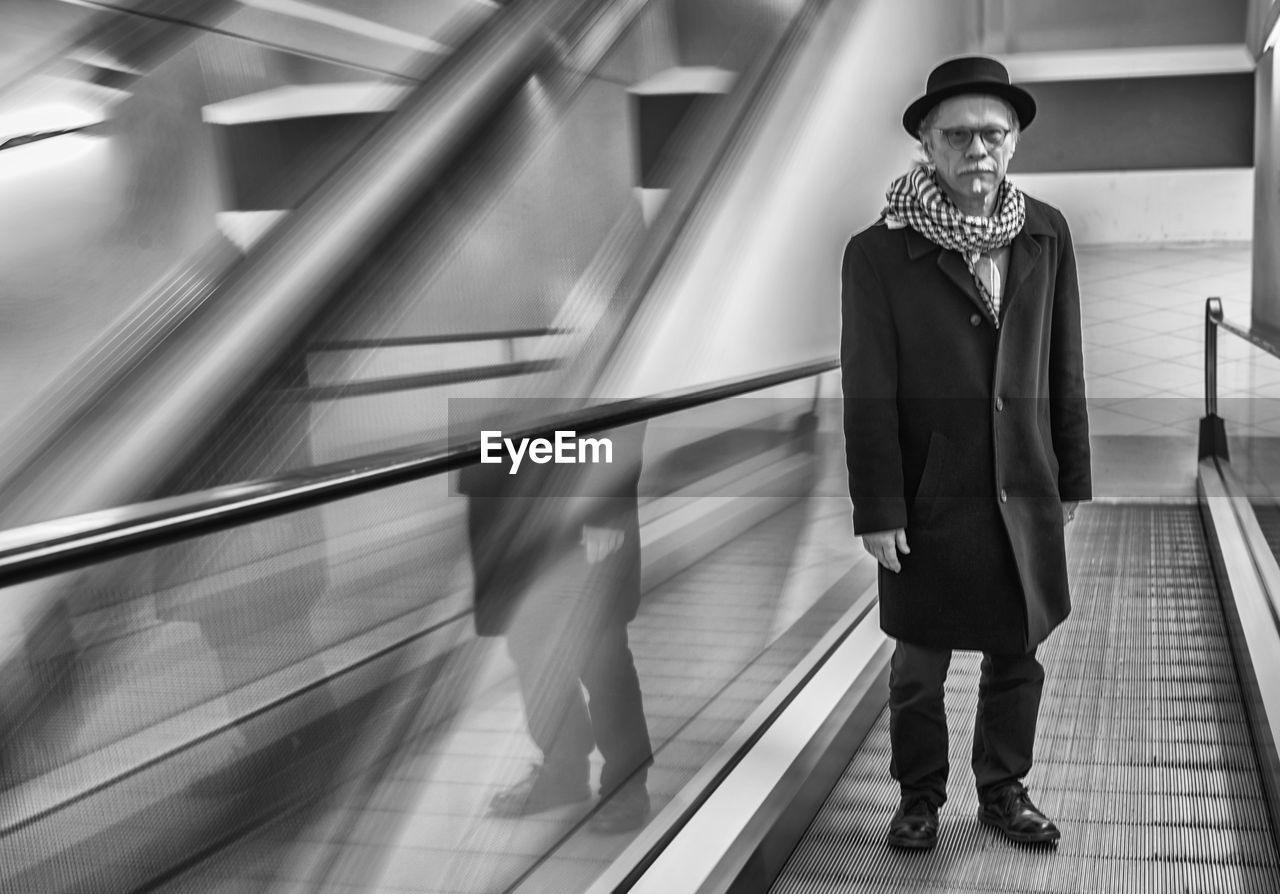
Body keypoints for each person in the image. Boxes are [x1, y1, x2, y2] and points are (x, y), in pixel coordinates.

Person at [840, 56, 1091, 850]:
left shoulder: (1045, 231)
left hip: (1025, 483)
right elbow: (867, 390)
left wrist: (1072, 477)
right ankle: (918, 797)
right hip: (929, 491)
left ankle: (1003, 789)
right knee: (920, 664)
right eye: (958, 135)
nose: (977, 149)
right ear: (927, 143)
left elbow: (1064, 362)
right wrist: (878, 508)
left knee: (1018, 652)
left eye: (993, 133)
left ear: (1013, 141)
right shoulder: (877, 253)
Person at [460, 421, 653, 835]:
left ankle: (626, 783)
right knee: (530, 645)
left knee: (600, 654)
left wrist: (606, 509)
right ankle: (562, 769)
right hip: (514, 502)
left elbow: (623, 397)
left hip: (580, 495)